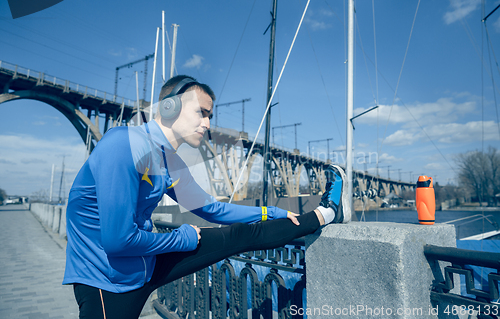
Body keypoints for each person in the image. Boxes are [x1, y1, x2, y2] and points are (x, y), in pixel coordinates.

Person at [63, 75, 351, 319]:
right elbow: (117, 241)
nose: (208, 124)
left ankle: (324, 213)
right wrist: (183, 238)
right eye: (201, 112)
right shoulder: (123, 145)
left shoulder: (168, 160)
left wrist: (271, 212)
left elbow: (213, 210)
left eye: (210, 115)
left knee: (238, 236)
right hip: (106, 281)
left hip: (145, 264)